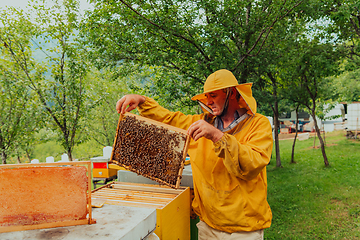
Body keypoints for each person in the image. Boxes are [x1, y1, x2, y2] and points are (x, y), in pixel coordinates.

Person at [116, 69, 273, 240]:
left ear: (232, 93)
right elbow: (169, 120)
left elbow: (252, 163)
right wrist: (142, 101)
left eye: (213, 95)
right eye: (207, 96)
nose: (209, 101)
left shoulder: (258, 124)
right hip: (207, 226)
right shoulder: (200, 123)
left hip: (243, 230)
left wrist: (216, 136)